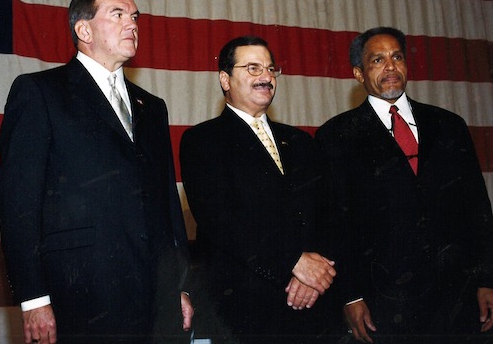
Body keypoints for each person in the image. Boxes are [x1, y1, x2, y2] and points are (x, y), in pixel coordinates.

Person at [0, 0, 193, 344]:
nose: (132, 24)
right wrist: (33, 299)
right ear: (83, 29)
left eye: (134, 16)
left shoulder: (153, 107)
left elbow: (167, 201)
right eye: (117, 14)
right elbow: (18, 204)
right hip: (81, 297)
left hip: (158, 301)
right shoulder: (40, 92)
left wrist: (180, 286)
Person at [315, 26, 493, 343]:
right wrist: (350, 295)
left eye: (397, 57)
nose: (390, 67)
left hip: (457, 298)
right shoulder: (336, 135)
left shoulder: (449, 125)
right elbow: (334, 225)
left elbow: (477, 208)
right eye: (377, 60)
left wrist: (486, 279)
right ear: (358, 73)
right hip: (383, 302)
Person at [179, 36, 336, 343]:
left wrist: (314, 276)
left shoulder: (301, 141)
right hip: (244, 313)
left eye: (270, 68)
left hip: (313, 307)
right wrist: (293, 261)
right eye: (252, 68)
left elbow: (329, 212)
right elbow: (221, 219)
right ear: (225, 79)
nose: (266, 77)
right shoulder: (203, 140)